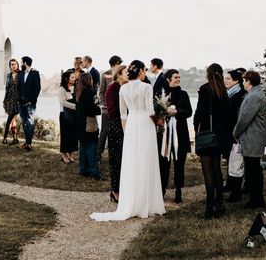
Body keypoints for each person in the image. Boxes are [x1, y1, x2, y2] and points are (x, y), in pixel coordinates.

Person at [91, 60, 165, 221]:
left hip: (131, 125)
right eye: (144, 70)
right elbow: (150, 111)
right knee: (146, 160)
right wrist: (158, 121)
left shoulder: (123, 88)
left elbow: (123, 115)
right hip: (145, 124)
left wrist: (128, 132)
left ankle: (132, 201)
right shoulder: (146, 87)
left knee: (132, 163)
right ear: (140, 71)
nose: (145, 72)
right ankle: (148, 203)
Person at [193, 63, 229, 219]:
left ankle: (209, 208)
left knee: (208, 172)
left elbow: (199, 113)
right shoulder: (224, 91)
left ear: (208, 74)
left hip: (207, 134)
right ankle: (219, 204)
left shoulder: (205, 90)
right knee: (217, 170)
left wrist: (196, 129)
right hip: (220, 136)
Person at [233, 70, 266, 209]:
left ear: (249, 81)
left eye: (244, 80)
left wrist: (235, 132)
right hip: (251, 137)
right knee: (252, 169)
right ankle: (255, 198)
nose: (242, 83)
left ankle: (257, 199)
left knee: (253, 170)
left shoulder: (255, 96)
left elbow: (244, 119)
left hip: (253, 138)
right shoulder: (254, 94)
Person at [158, 69, 193, 203]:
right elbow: (157, 112)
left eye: (179, 77)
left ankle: (178, 191)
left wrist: (177, 111)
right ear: (168, 79)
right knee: (164, 164)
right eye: (175, 77)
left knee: (180, 164)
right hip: (165, 135)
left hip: (181, 135)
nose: (178, 79)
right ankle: (162, 190)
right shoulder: (162, 94)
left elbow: (189, 112)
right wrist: (164, 113)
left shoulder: (184, 94)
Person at [105, 64, 128, 203]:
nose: (128, 74)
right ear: (119, 74)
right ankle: (115, 190)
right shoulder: (113, 88)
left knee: (126, 159)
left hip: (127, 125)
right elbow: (112, 110)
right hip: (115, 126)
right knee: (116, 159)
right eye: (126, 72)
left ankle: (125, 189)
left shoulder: (127, 87)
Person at [223, 69, 246, 201]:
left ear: (236, 81)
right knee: (230, 160)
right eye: (225, 78)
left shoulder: (240, 94)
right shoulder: (228, 93)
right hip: (228, 132)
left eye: (228, 79)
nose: (225, 81)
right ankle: (230, 184)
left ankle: (236, 192)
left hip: (236, 133)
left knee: (237, 162)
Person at [75, 73, 102, 179]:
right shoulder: (88, 92)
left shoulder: (78, 91)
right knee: (91, 148)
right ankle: (94, 172)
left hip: (80, 123)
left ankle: (83, 169)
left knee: (83, 148)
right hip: (88, 123)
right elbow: (90, 109)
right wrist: (99, 108)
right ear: (88, 80)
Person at [97, 55, 122, 163]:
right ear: (115, 63)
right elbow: (101, 92)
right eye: (119, 63)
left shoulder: (122, 74)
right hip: (107, 109)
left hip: (120, 109)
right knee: (104, 132)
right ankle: (98, 155)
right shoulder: (105, 74)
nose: (120, 65)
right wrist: (104, 104)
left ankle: (118, 154)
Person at [17, 56, 42, 151]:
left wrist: (31, 100)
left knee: (29, 122)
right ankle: (27, 142)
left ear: (25, 63)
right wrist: (19, 99)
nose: (20, 64)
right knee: (24, 122)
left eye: (21, 62)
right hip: (21, 102)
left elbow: (37, 88)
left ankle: (29, 143)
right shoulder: (21, 74)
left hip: (30, 103)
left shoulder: (35, 73)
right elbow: (18, 88)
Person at [58, 70, 77, 163]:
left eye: (74, 77)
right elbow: (62, 102)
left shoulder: (74, 88)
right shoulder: (62, 89)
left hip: (73, 115)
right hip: (64, 115)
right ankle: (63, 154)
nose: (74, 78)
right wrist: (75, 106)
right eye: (72, 77)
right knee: (65, 135)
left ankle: (70, 154)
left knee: (72, 135)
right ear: (67, 78)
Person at [2, 58, 21, 145]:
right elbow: (7, 88)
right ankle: (15, 138)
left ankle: (5, 137)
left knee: (9, 119)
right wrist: (5, 99)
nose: (13, 66)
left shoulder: (20, 74)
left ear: (17, 65)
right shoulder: (8, 75)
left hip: (17, 100)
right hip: (9, 99)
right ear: (9, 66)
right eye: (11, 64)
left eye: (14, 64)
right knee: (13, 120)